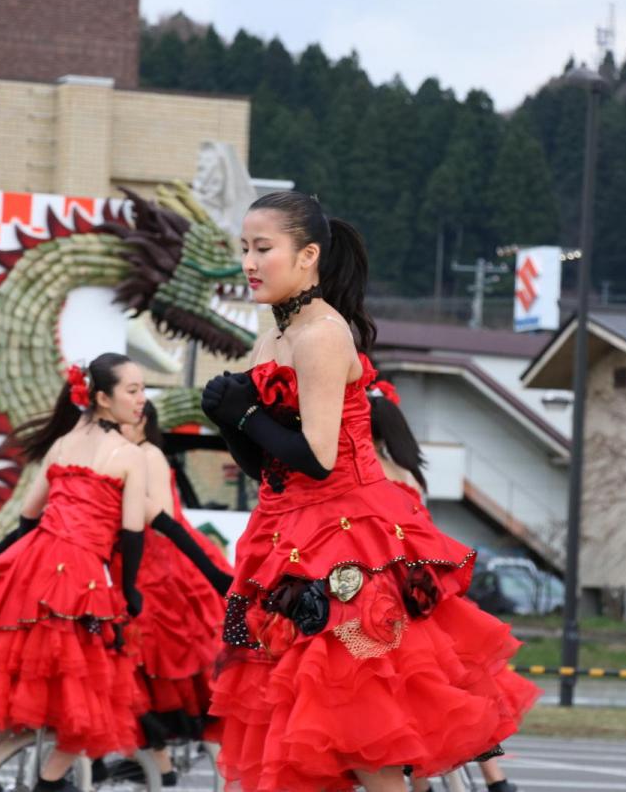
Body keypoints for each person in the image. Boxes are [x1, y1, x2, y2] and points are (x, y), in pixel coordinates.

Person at [200, 191, 539, 792]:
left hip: (346, 540)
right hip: (285, 534)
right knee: (290, 718)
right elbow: (268, 468)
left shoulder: (323, 334)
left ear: (307, 256)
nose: (249, 262)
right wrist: (232, 421)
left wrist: (246, 417)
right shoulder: (272, 337)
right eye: (244, 249)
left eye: (262, 249)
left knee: (358, 715)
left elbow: (320, 459)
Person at [0, 354, 150, 792]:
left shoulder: (62, 445)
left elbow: (28, 516)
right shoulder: (128, 455)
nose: (142, 400)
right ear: (101, 398)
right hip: (79, 575)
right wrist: (130, 590)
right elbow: (132, 533)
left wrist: (6, 557)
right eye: (133, 391)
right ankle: (49, 780)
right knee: (90, 691)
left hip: (32, 566)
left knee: (12, 681)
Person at [368, 383, 519, 792]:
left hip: (395, 585)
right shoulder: (411, 472)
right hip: (430, 584)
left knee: (410, 693)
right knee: (459, 681)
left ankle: (426, 784)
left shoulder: (374, 472)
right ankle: (496, 778)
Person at [116, 401, 233, 785]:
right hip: (150, 565)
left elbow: (162, 518)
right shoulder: (135, 454)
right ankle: (155, 765)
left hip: (161, 569)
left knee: (158, 672)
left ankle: (160, 766)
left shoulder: (147, 455)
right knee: (142, 678)